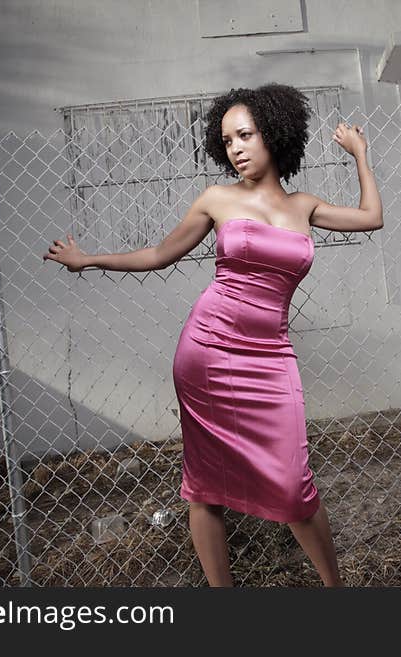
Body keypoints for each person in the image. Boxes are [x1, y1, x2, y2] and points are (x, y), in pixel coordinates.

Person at [43, 83, 383, 587]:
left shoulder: (305, 206)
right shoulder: (216, 199)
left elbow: (373, 218)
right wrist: (88, 258)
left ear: (274, 135)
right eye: (227, 141)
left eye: (245, 135)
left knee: (294, 485)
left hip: (270, 357)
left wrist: (360, 154)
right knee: (205, 487)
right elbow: (159, 254)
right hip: (207, 352)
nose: (237, 148)